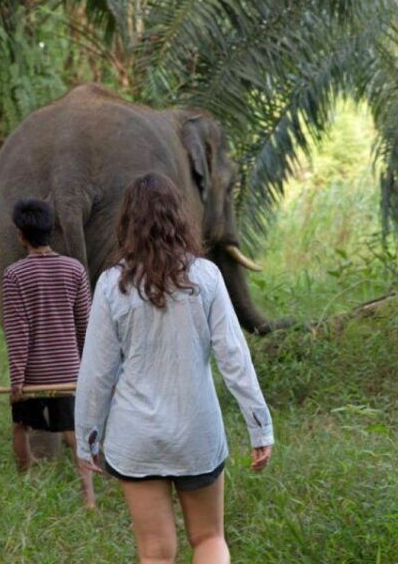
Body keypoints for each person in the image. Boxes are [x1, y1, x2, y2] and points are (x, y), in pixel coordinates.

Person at [75, 173, 274, 563]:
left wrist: (87, 439)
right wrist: (260, 426)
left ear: (127, 223)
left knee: (155, 552)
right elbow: (235, 358)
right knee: (209, 538)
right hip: (197, 434)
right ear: (179, 218)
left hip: (137, 439)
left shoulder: (112, 285)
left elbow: (96, 373)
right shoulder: (206, 276)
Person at [0, 198, 95, 509]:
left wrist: (17, 382)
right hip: (69, 370)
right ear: (51, 230)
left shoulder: (14, 275)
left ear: (20, 235)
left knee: (21, 427)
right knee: (74, 432)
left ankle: (25, 483)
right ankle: (89, 498)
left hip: (34, 374)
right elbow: (86, 325)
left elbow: (17, 333)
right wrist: (87, 368)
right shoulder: (74, 269)